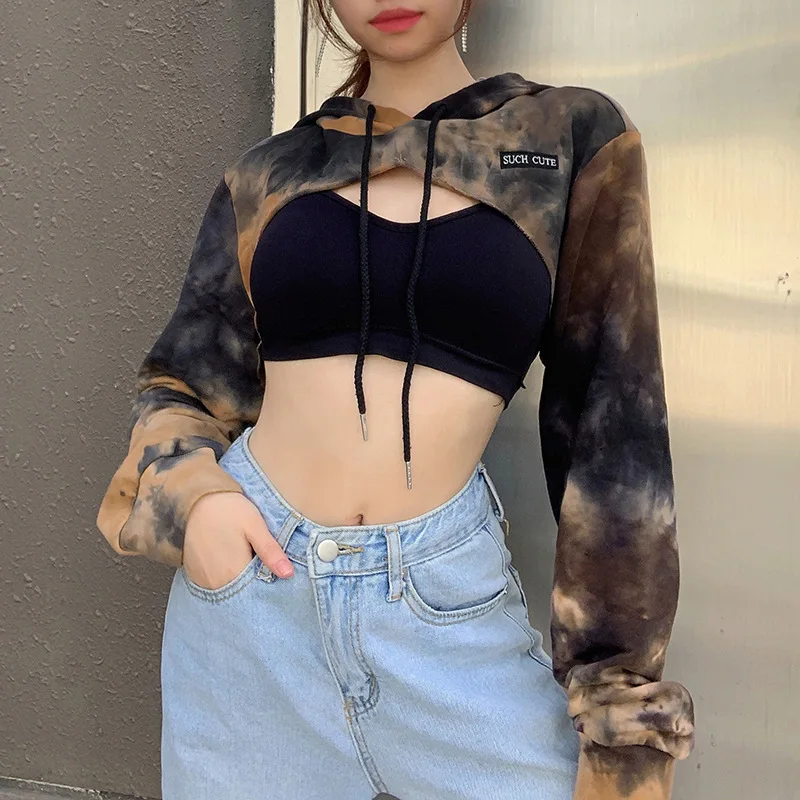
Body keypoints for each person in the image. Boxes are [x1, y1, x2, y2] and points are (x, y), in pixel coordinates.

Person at [95, 1, 695, 798]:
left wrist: (618, 695)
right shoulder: (272, 172)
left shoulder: (568, 139)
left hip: (444, 609)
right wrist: (198, 506)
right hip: (254, 605)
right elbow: (181, 385)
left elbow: (614, 433)